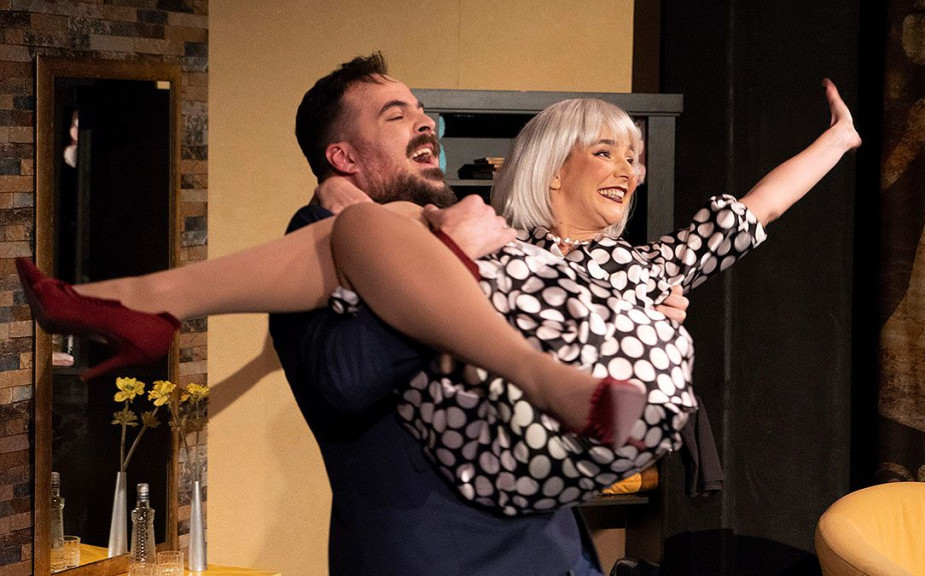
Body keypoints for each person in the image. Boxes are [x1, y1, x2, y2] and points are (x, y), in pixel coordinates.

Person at [17, 52, 860, 573]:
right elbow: (345, 381)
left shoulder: (444, 232)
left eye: (425, 113)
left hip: (555, 536)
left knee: (361, 229)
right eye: (398, 117)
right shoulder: (332, 245)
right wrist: (451, 248)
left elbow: (736, 224)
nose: (426, 124)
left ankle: (141, 302)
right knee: (355, 230)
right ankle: (141, 302)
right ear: (342, 155)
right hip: (441, 561)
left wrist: (639, 320)